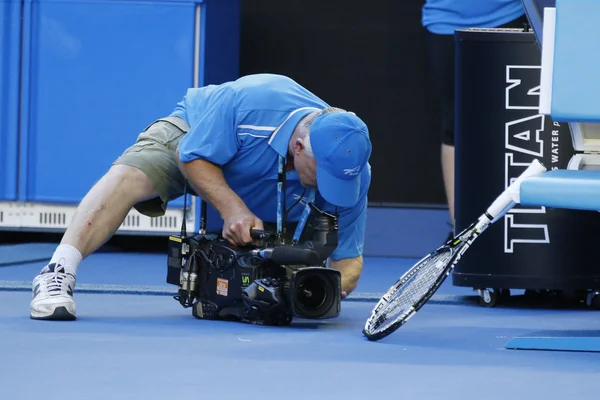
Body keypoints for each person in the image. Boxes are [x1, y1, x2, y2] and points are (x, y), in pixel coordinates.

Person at [29, 73, 372, 321]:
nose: (330, 191)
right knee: (130, 176)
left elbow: (348, 259)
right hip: (196, 140)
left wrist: (328, 287)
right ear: (298, 147)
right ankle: (58, 271)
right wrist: (232, 208)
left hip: (262, 187)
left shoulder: (348, 169)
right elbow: (190, 155)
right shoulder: (253, 101)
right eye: (322, 176)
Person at [422, 0, 527, 237]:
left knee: (514, 122)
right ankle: (460, 230)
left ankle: (511, 227)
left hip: (512, 15)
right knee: (455, 126)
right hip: (445, 22)